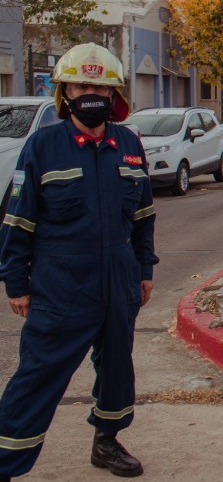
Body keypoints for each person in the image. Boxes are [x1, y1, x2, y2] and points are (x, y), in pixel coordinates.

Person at [0, 43, 157, 480]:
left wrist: (144, 271)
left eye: (101, 87)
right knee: (37, 377)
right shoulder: (42, 147)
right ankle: (6, 462)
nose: (92, 93)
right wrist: (16, 282)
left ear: (114, 96)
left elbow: (143, 215)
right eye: (82, 85)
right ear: (64, 91)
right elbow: (18, 220)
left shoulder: (128, 143)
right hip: (61, 286)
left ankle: (106, 442)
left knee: (117, 371)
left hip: (119, 280)